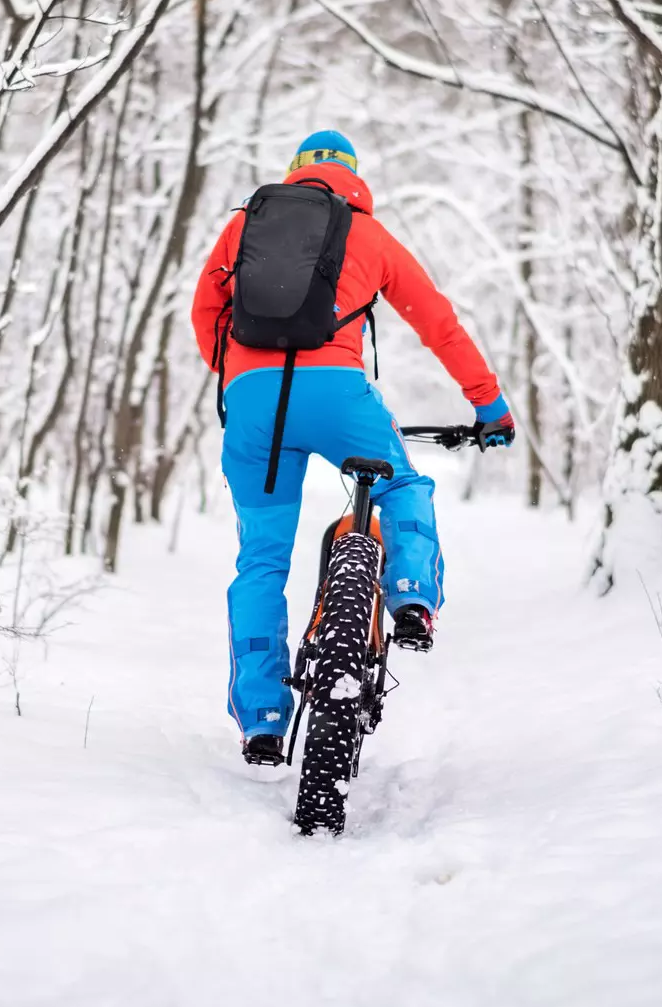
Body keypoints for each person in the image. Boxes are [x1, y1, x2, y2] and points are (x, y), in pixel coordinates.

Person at [190, 129, 514, 765]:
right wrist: (489, 404)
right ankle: (413, 595)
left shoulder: (244, 227)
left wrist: (239, 378)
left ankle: (260, 718)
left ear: (295, 174)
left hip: (254, 406)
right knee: (402, 486)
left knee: (261, 561)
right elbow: (438, 325)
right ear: (351, 178)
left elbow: (207, 310)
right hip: (337, 393)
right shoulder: (369, 234)